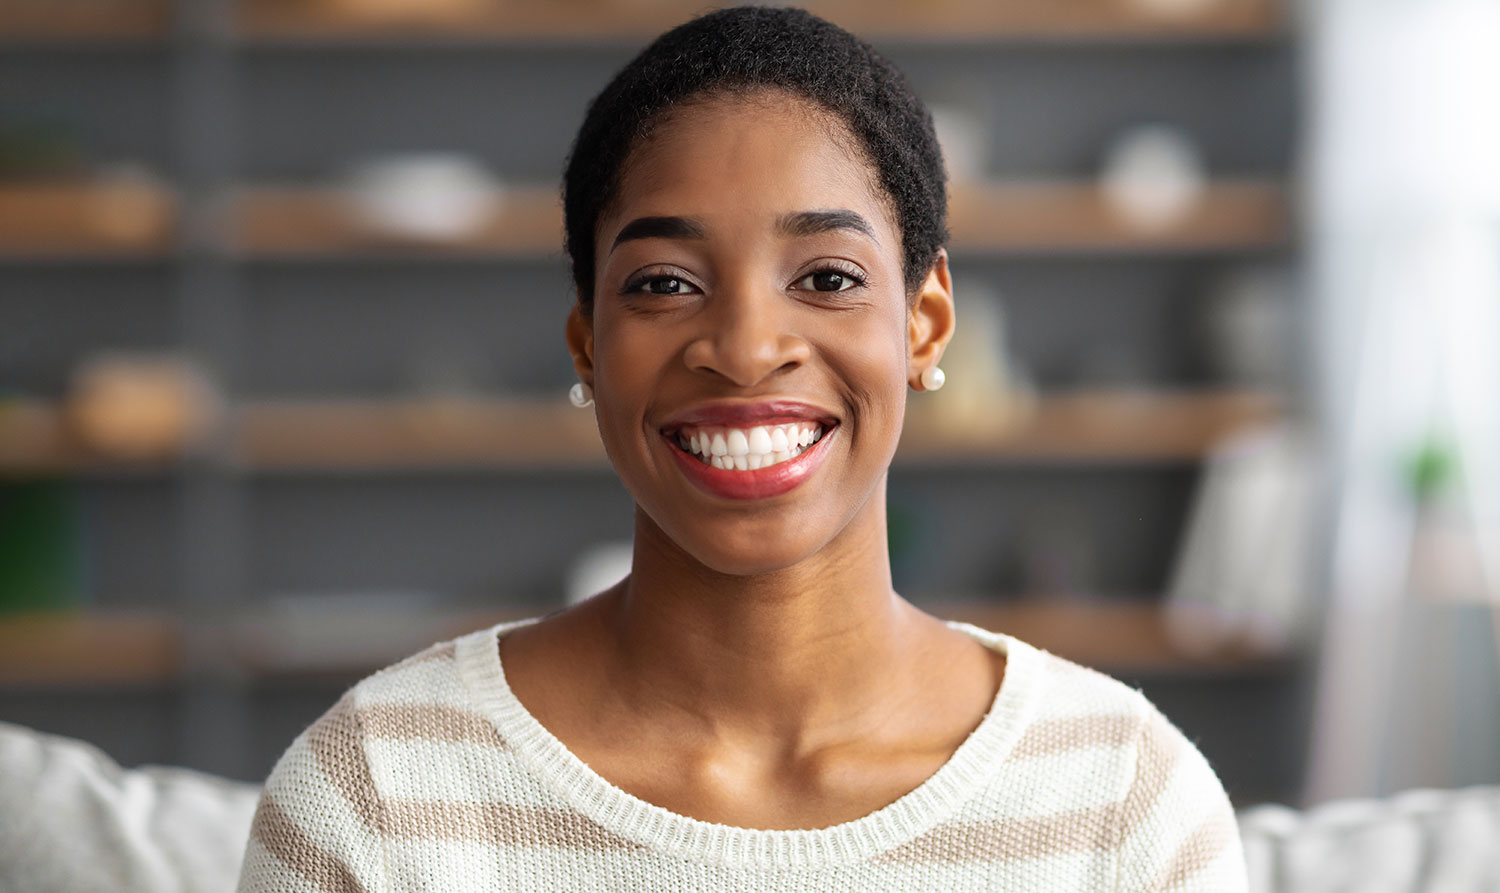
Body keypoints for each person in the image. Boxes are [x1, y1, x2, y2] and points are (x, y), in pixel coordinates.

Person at [237, 7, 1247, 891]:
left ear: (928, 323)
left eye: (828, 276)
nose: (746, 348)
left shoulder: (1125, 798)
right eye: (665, 282)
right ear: (588, 340)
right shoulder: (379, 793)